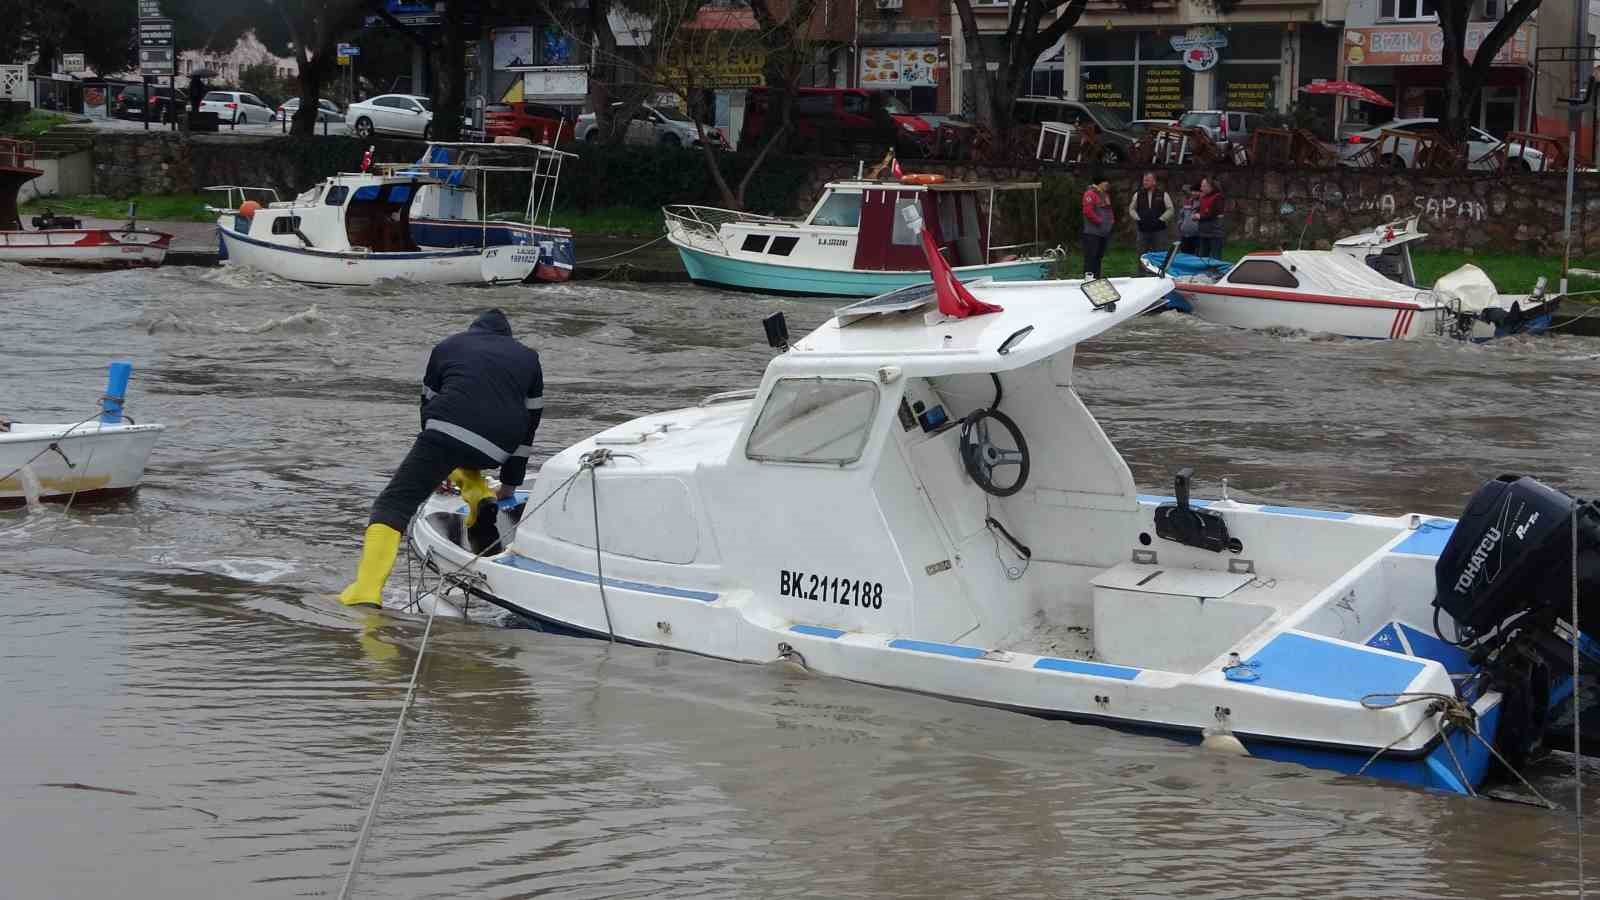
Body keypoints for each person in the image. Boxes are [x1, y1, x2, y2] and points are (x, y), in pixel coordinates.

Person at [339, 308, 544, 608]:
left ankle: (365, 591)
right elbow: (529, 427)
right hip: (498, 446)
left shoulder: (447, 346)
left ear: (473, 329)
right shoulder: (529, 358)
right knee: (467, 449)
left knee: (392, 504)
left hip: (446, 432)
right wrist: (510, 485)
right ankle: (480, 497)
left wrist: (436, 470)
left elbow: (428, 408)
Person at [1126, 172, 1174, 271]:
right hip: (1143, 230)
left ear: (1154, 182)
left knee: (1160, 254)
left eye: (1147, 180)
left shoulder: (1163, 194)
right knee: (1142, 255)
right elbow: (1131, 209)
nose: (1145, 182)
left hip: (1159, 230)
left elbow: (1170, 209)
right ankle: (1141, 277)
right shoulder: (1138, 194)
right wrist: (1138, 218)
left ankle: (1159, 274)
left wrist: (1161, 219)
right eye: (1144, 180)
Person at [1080, 175, 1114, 279]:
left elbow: (1109, 209)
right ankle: (1088, 280)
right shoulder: (1090, 194)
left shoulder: (1105, 195)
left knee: (1098, 257)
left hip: (1103, 233)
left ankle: (1097, 278)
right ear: (1100, 183)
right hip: (1092, 233)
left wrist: (1112, 220)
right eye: (1106, 183)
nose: (1107, 185)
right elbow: (1088, 211)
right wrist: (1100, 222)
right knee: (1091, 258)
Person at [1195, 176, 1227, 259]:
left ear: (1210, 187)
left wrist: (1200, 216)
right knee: (1202, 258)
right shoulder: (1203, 197)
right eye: (1201, 186)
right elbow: (1200, 210)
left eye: (1203, 186)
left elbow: (1214, 213)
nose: (1201, 188)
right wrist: (1196, 214)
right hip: (1203, 232)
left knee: (1215, 259)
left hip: (1214, 233)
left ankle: (1215, 271)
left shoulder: (1218, 197)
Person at [1176, 184, 1201, 255]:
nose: (1194, 193)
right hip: (1185, 235)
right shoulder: (1186, 202)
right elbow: (1181, 216)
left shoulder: (1202, 202)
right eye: (1193, 191)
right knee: (1185, 257)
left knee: (1196, 258)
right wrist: (1180, 225)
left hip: (1197, 236)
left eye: (1196, 191)